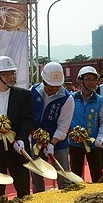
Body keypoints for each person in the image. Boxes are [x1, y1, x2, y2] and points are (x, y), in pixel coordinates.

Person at [0, 56, 33, 200]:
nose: (11, 77)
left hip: (16, 146)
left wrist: (22, 139)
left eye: (12, 73)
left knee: (22, 185)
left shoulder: (23, 94)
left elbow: (28, 120)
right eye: (7, 74)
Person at [30, 62, 74, 192]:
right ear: (43, 81)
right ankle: (39, 202)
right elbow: (28, 117)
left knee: (63, 175)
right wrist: (34, 135)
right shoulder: (32, 92)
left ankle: (66, 202)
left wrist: (52, 144)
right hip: (36, 141)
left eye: (57, 87)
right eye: (50, 87)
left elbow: (63, 126)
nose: (54, 90)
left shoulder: (67, 99)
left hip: (58, 143)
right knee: (36, 175)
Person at [68, 65, 103, 183]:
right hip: (75, 144)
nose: (92, 83)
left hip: (94, 144)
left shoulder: (101, 101)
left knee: (97, 176)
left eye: (94, 79)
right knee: (75, 178)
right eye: (88, 79)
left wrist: (100, 137)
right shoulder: (71, 99)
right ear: (80, 80)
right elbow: (65, 119)